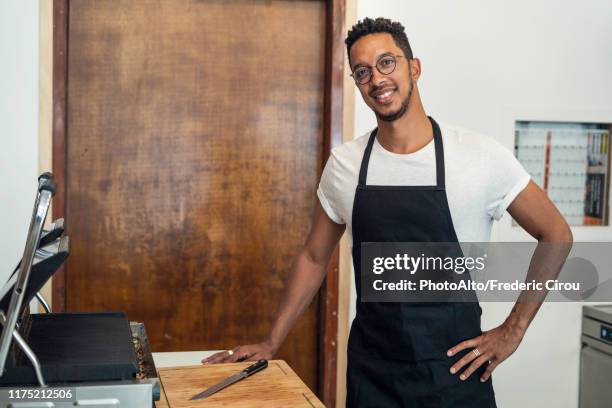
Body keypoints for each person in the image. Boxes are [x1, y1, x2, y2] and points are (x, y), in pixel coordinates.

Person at [202, 17, 572, 407]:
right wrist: (270, 341)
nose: (376, 79)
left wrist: (513, 330)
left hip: (456, 377)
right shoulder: (344, 166)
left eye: (386, 63)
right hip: (374, 377)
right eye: (362, 71)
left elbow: (556, 234)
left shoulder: (479, 157)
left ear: (414, 67)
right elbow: (313, 256)